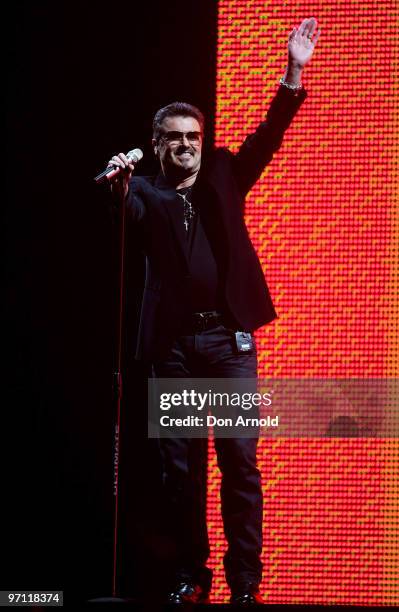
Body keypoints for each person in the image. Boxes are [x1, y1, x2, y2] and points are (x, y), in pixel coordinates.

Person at [108, 17, 320, 605]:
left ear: (204, 139)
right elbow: (128, 216)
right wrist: (120, 186)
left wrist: (294, 70)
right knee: (182, 473)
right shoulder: (145, 191)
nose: (185, 144)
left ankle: (245, 585)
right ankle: (190, 578)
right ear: (157, 145)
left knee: (239, 465)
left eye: (193, 135)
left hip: (226, 347)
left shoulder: (226, 173)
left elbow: (269, 133)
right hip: (172, 351)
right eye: (174, 137)